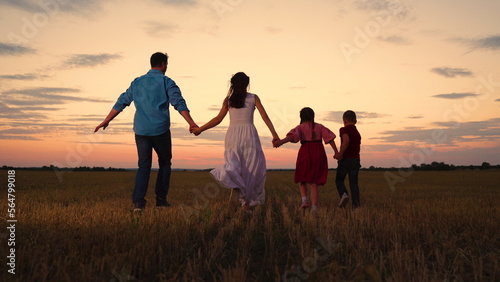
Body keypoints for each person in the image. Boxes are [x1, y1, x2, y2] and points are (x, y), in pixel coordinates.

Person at [94, 52, 198, 211]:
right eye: (166, 65)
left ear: (152, 64)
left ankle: (138, 204)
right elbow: (179, 103)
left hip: (141, 130)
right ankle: (161, 202)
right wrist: (191, 123)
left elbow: (122, 102)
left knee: (143, 166)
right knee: (164, 163)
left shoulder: (137, 82)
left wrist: (107, 120)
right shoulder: (166, 81)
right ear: (163, 64)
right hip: (160, 130)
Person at [191, 72, 279, 209]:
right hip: (249, 134)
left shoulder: (228, 100)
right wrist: (274, 135)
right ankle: (247, 201)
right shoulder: (253, 98)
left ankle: (242, 198)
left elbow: (218, 119)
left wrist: (200, 129)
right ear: (247, 84)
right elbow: (265, 116)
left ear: (233, 84)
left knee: (234, 166)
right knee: (252, 168)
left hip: (233, 136)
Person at [273, 107, 338, 214]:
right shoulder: (320, 127)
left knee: (302, 177)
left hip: (305, 152)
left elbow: (292, 137)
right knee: (314, 182)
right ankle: (314, 208)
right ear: (313, 116)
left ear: (301, 117)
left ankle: (304, 200)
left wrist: (280, 142)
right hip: (318, 152)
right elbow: (330, 139)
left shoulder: (300, 127)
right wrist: (336, 152)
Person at [334, 110, 362, 209]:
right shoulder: (357, 133)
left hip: (345, 160)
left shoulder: (343, 130)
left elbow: (346, 140)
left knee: (339, 180)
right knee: (354, 184)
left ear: (344, 121)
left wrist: (340, 154)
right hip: (355, 161)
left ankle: (344, 195)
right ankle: (356, 206)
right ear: (356, 121)